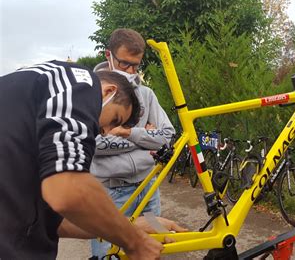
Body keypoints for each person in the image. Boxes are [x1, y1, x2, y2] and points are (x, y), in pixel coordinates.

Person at [0, 61, 184, 259]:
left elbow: (55, 222)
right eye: (115, 119)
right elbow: (67, 191)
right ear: (108, 91)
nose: (105, 132)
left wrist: (128, 227)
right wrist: (134, 242)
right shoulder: (80, 83)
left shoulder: (31, 126)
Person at [90, 28, 176, 258]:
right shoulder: (92, 96)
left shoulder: (146, 94)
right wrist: (146, 139)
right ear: (109, 55)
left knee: (154, 250)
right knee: (109, 255)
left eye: (135, 66)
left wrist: (128, 133)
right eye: (124, 64)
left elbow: (167, 135)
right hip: (111, 196)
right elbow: (91, 144)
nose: (130, 71)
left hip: (148, 191)